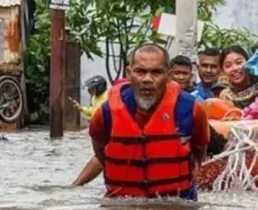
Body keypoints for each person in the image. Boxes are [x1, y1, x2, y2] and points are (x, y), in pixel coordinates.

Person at [87, 44, 209, 200]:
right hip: (122, 202)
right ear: (129, 73)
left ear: (169, 75)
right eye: (140, 71)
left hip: (177, 201)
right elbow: (101, 152)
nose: (147, 79)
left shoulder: (192, 110)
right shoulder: (105, 114)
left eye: (156, 72)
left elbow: (199, 152)